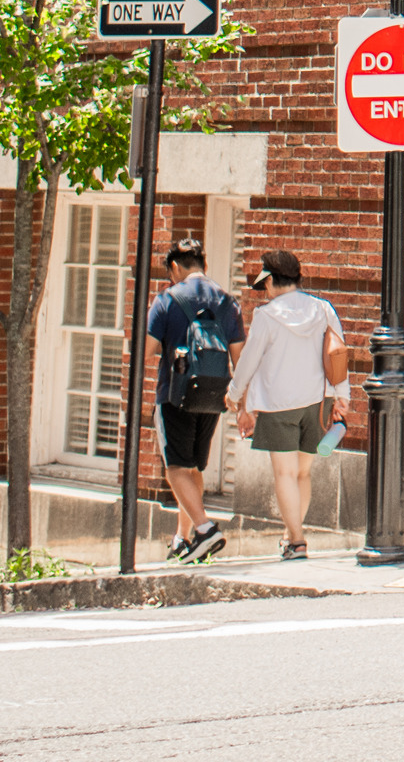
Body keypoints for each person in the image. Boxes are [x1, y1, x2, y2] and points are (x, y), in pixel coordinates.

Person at [227, 248, 348, 558]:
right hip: (317, 402)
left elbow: (249, 361)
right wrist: (342, 397)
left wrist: (236, 393)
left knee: (284, 474)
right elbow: (338, 354)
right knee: (302, 474)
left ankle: (296, 539)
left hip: (278, 404)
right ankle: (291, 534)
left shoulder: (267, 315)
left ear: (269, 281)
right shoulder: (322, 309)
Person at [142, 237, 245, 565]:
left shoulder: (166, 300)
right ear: (204, 265)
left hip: (174, 395)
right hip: (213, 396)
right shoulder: (228, 301)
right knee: (194, 467)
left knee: (174, 469)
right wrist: (239, 399)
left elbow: (144, 352)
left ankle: (204, 529)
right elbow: (239, 358)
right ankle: (183, 540)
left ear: (174, 267)